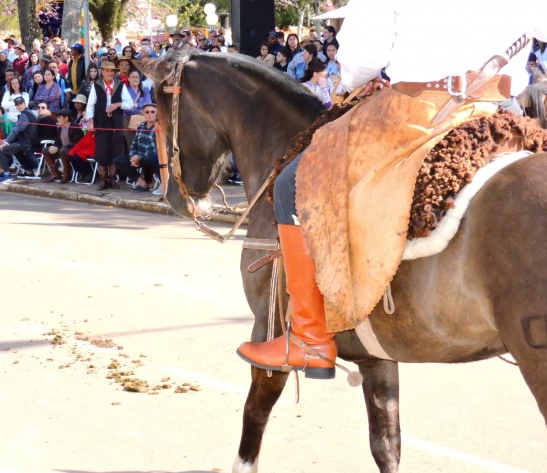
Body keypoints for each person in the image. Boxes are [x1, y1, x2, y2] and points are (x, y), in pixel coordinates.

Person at [236, 0, 547, 378]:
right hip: (501, 113)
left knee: (293, 183)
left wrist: (350, 82)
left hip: (419, 112)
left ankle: (308, 337)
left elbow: (362, 60)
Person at [85, 60, 126, 190]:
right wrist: (90, 120)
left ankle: (113, 180)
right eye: (107, 70)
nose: (110, 73)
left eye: (112, 71)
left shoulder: (120, 84)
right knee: (102, 151)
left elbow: (130, 103)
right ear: (102, 72)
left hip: (116, 122)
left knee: (116, 150)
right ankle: (103, 180)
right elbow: (91, 104)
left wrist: (117, 105)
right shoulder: (96, 85)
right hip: (101, 121)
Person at [112, 102, 159, 191]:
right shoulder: (141, 125)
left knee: (147, 160)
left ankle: (148, 181)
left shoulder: (159, 126)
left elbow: (156, 149)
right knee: (118, 160)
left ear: (157, 113)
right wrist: (134, 156)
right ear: (143, 114)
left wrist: (139, 157)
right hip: (139, 157)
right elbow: (134, 144)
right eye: (147, 112)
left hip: (152, 159)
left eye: (153, 112)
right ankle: (140, 180)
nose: (150, 114)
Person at [0, 96, 39, 183]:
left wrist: (6, 142)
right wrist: (7, 141)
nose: (19, 106)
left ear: (25, 104)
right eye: (17, 105)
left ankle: (7, 174)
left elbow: (17, 130)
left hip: (26, 143)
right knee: (15, 151)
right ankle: (29, 171)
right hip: (26, 141)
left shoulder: (25, 114)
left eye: (21, 104)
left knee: (0, 150)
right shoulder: (27, 113)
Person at [41, 108, 83, 183]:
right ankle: (55, 174)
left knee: (62, 150)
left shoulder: (75, 127)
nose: (57, 119)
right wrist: (54, 146)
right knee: (45, 150)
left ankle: (67, 174)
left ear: (66, 118)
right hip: (62, 150)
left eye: (59, 117)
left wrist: (59, 148)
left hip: (74, 150)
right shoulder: (60, 128)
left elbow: (76, 142)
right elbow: (57, 141)